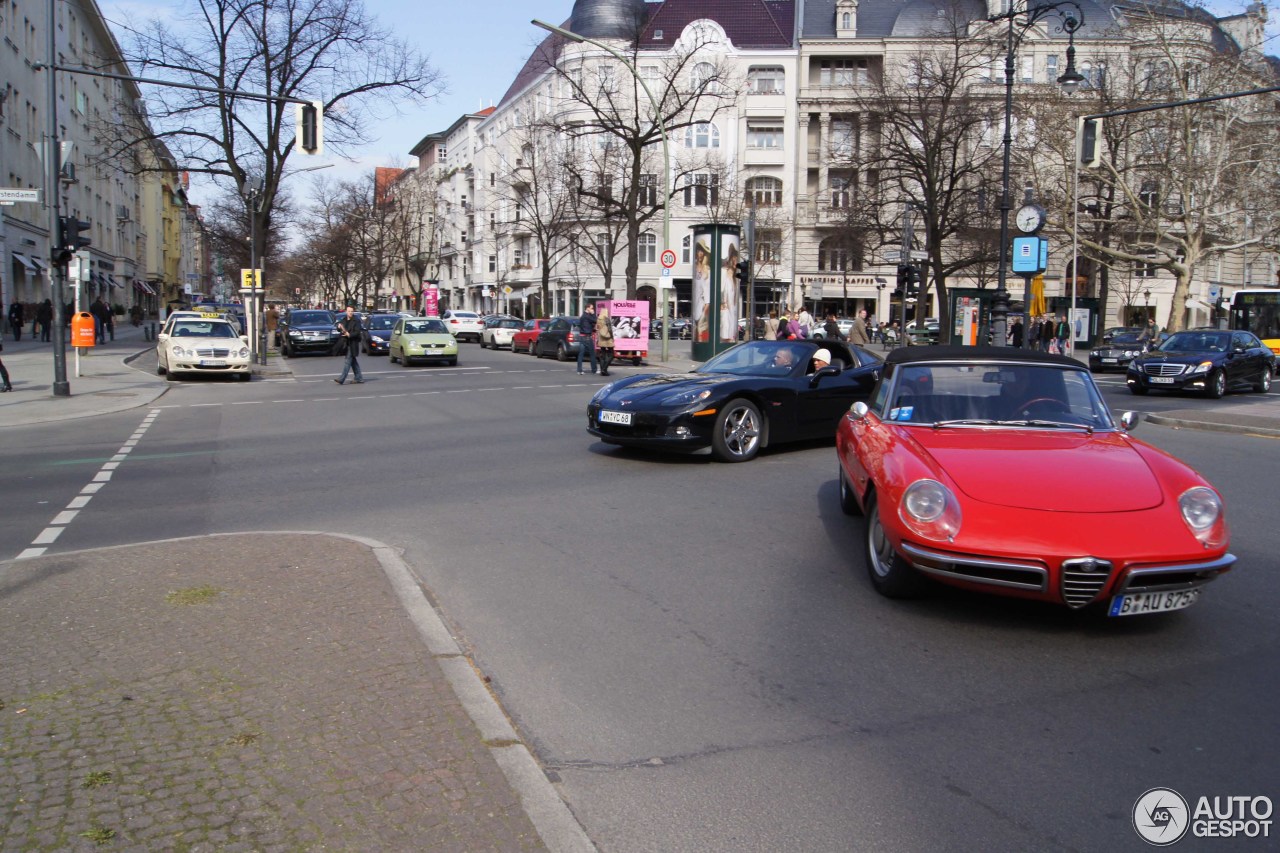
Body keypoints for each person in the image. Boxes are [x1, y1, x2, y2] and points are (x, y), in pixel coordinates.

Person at [334, 305, 365, 384]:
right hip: (346, 343)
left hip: (353, 343)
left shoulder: (356, 321)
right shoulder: (344, 319)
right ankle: (359, 377)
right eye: (349, 311)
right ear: (346, 311)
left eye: (352, 311)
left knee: (348, 361)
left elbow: (357, 332)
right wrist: (338, 326)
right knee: (353, 361)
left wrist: (349, 334)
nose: (350, 312)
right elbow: (339, 328)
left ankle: (342, 378)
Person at [576, 302, 597, 375]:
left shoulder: (583, 316)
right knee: (592, 353)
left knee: (581, 354)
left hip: (582, 336)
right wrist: (593, 313)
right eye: (591, 308)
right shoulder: (587, 316)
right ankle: (594, 369)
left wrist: (593, 330)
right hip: (587, 337)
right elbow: (595, 320)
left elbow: (588, 325)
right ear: (587, 308)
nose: (592, 309)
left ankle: (579, 370)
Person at [596, 306, 615, 376]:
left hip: (601, 338)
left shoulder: (598, 319)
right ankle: (604, 368)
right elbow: (610, 329)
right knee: (611, 354)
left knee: (602, 355)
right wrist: (612, 338)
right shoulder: (606, 319)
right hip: (608, 338)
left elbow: (598, 329)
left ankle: (602, 370)